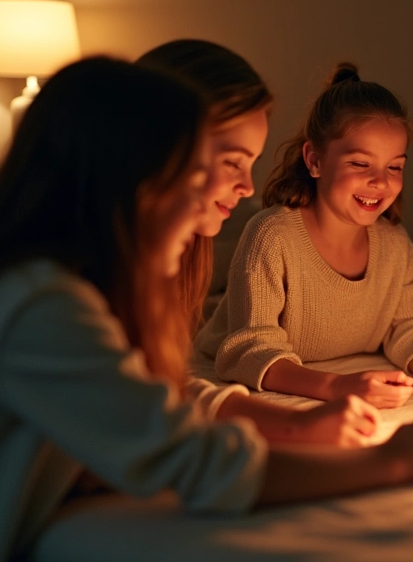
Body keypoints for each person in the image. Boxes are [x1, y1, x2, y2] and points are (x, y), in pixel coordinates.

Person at [0, 57, 413, 562]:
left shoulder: (46, 283)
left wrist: (295, 425)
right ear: (132, 177)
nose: (235, 190)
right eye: (200, 171)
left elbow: (149, 398)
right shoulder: (32, 304)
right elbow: (195, 463)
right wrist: (392, 460)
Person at [138, 39, 380, 447]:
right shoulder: (58, 299)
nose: (248, 187)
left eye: (251, 163)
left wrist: (300, 422)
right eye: (233, 162)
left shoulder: (153, 275)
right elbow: (162, 444)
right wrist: (391, 460)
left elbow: (158, 393)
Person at [195, 63, 413, 407]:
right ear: (314, 161)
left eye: (394, 167)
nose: (380, 181)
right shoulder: (271, 235)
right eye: (360, 164)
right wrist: (337, 386)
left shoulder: (394, 243)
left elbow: (410, 325)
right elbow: (249, 348)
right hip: (225, 333)